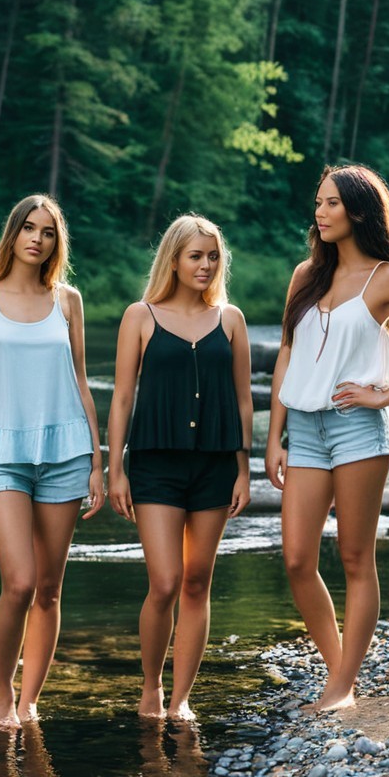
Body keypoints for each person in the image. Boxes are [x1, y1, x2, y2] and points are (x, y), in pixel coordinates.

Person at [265, 165, 389, 712]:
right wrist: (274, 434)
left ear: (357, 211)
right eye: (318, 203)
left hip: (357, 428)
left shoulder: (387, 280)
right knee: (298, 559)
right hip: (303, 428)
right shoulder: (306, 275)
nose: (319, 213)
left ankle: (341, 686)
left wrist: (383, 396)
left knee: (355, 557)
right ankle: (341, 674)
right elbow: (287, 354)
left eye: (330, 203)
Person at [0, 194, 104, 731]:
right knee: (18, 582)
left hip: (65, 454)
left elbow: (81, 383)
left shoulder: (68, 301)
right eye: (29, 229)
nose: (37, 239)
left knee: (48, 587)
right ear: (13, 234)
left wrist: (96, 463)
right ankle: (1, 690)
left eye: (48, 232)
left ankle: (30, 700)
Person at [107, 214, 253, 721]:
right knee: (165, 582)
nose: (206, 265)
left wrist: (243, 469)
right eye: (196, 256)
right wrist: (115, 469)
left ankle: (181, 698)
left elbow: (241, 400)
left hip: (214, 466)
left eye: (213, 256)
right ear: (174, 258)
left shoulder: (230, 319)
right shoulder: (140, 315)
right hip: (154, 465)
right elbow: (123, 397)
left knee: (197, 582)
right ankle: (150, 687)